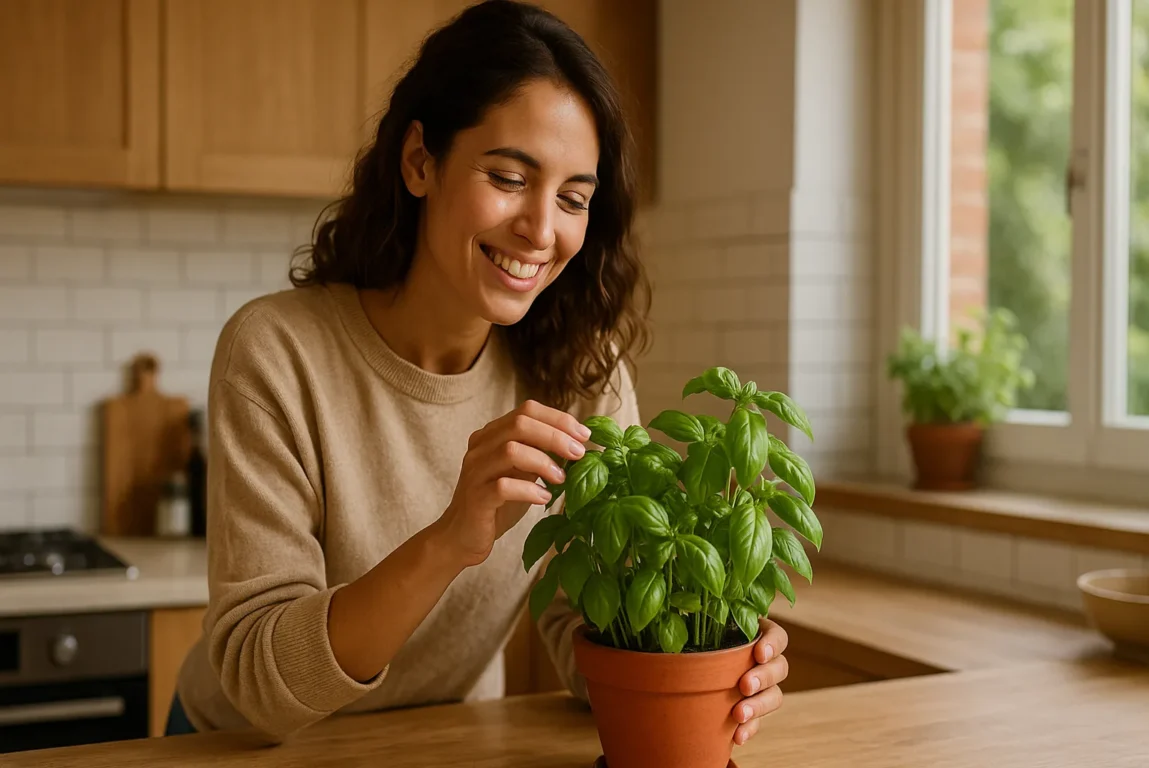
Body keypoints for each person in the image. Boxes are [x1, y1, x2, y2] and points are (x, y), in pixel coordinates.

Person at [168, 0, 789, 748]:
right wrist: (450, 540)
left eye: (573, 199)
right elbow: (263, 687)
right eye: (508, 177)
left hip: (445, 744)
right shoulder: (277, 352)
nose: (540, 229)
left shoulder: (581, 370)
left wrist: (709, 656)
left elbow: (586, 622)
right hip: (239, 750)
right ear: (419, 162)